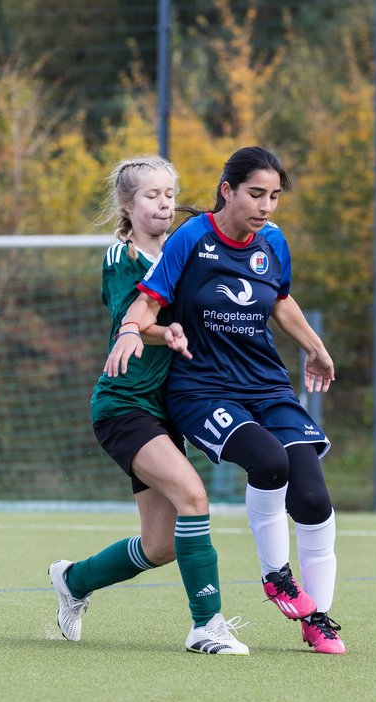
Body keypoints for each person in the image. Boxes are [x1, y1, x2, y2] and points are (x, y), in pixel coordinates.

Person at [105, 146, 346, 654]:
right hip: (205, 388)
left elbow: (280, 301)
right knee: (268, 461)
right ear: (227, 190)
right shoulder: (191, 239)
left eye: (275, 197)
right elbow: (148, 297)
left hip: (267, 385)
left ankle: (317, 619)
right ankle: (276, 576)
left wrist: (317, 350)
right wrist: (131, 328)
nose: (265, 206)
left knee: (314, 499)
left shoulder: (274, 242)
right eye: (256, 194)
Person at [48, 155, 249, 655]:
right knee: (194, 497)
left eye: (169, 194)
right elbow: (131, 321)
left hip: (162, 411)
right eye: (152, 196)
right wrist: (167, 331)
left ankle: (74, 580)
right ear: (127, 205)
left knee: (159, 546)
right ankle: (207, 626)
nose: (164, 204)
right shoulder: (122, 258)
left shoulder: (182, 251)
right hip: (123, 406)